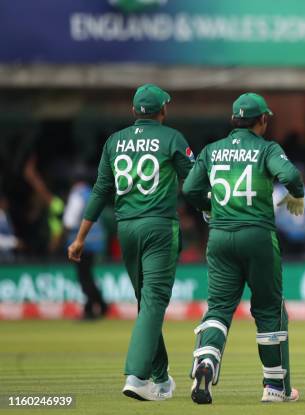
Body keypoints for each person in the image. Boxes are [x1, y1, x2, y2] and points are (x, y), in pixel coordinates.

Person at [67, 83, 194, 401]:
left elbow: (99, 192)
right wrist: (210, 209)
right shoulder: (171, 138)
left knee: (145, 304)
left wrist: (80, 237)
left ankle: (162, 379)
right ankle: (137, 377)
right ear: (162, 111)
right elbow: (193, 182)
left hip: (127, 230)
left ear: (134, 112)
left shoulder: (114, 141)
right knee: (152, 303)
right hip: (160, 227)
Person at [182, 92, 304, 404]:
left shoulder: (211, 150)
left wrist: (210, 207)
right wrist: (297, 194)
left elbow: (190, 189)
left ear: (234, 120)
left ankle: (206, 362)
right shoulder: (267, 148)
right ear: (262, 120)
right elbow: (289, 174)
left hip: (220, 237)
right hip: (258, 236)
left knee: (219, 308)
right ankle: (275, 388)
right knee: (267, 309)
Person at [63, 168, 108, 320]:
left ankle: (93, 307)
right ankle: (100, 305)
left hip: (81, 243)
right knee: (88, 274)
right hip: (97, 241)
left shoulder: (77, 194)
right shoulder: (91, 193)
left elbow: (69, 220)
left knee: (84, 276)